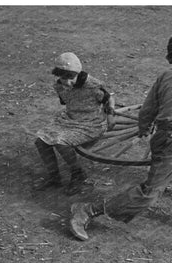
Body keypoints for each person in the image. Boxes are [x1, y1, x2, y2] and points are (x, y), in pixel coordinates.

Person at [69, 36, 172, 240]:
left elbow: (147, 110)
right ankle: (87, 210)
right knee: (150, 193)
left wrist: (144, 129)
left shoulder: (164, 76)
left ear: (170, 58)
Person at [34, 52, 116, 196]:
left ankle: (78, 173)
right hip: (70, 120)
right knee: (41, 141)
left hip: (91, 123)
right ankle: (54, 177)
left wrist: (110, 116)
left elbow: (109, 99)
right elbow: (67, 102)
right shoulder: (60, 86)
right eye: (63, 78)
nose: (67, 82)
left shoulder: (92, 85)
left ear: (77, 74)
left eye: (70, 77)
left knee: (61, 142)